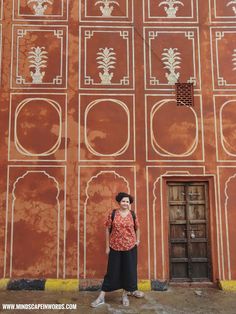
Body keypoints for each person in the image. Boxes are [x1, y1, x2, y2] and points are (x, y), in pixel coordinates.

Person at [91, 192, 144, 308]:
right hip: (115, 247)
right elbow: (107, 230)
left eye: (127, 202)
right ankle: (101, 297)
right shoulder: (113, 213)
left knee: (128, 271)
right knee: (111, 271)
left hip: (130, 248)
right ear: (119, 202)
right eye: (123, 201)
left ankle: (124, 295)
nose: (125, 203)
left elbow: (137, 228)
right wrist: (107, 246)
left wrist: (137, 240)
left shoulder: (132, 214)